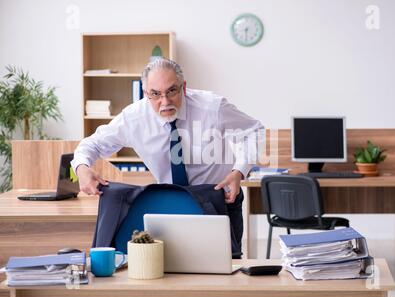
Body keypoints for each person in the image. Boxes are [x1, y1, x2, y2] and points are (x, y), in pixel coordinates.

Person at [71, 57, 264, 257]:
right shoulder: (134, 118)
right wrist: (82, 168)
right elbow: (90, 144)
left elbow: (254, 131)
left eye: (172, 91)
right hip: (170, 203)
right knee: (172, 268)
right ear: (145, 93)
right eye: (155, 94)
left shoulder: (212, 107)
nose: (165, 101)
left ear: (184, 87)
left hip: (218, 200)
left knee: (223, 267)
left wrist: (239, 171)